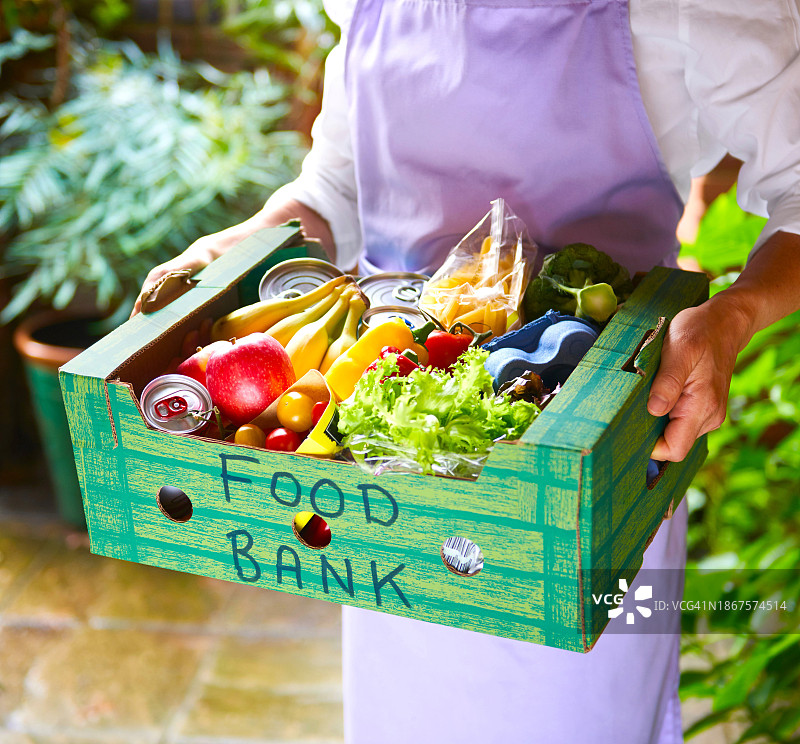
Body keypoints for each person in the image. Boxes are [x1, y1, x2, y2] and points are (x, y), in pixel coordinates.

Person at [134, 0, 800, 740]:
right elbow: (332, 192)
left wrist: (734, 316)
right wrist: (241, 242)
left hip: (589, 451)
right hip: (390, 450)